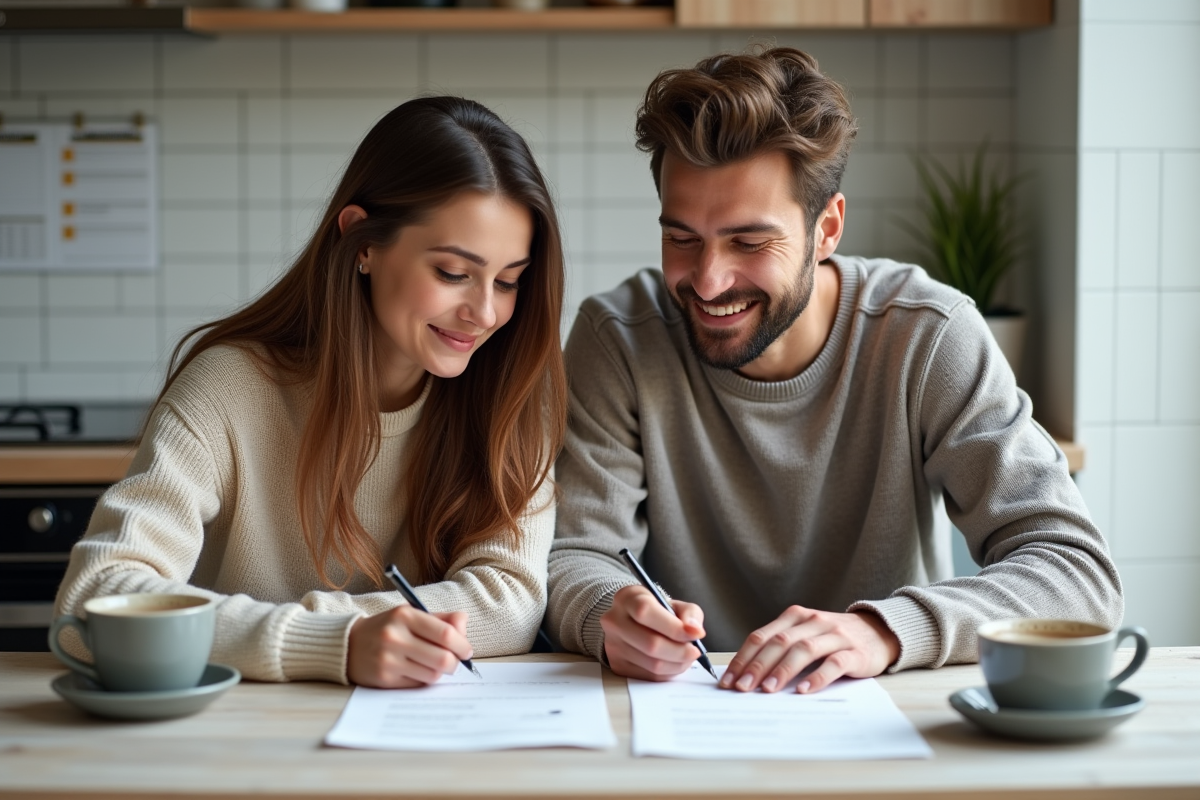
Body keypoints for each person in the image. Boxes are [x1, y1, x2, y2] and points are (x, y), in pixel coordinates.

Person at [545, 48, 1122, 694]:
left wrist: (883, 631)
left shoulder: (926, 337)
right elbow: (575, 558)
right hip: (683, 718)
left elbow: (1077, 575)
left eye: (749, 242)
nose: (707, 281)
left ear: (827, 229)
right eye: (682, 238)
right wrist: (608, 614)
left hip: (886, 725)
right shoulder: (618, 339)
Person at [56, 97, 567, 688]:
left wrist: (329, 629)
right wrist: (332, 641)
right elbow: (92, 600)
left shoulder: (512, 395)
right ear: (363, 244)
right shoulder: (227, 389)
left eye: (508, 281)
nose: (484, 312)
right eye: (453, 273)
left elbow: (509, 603)